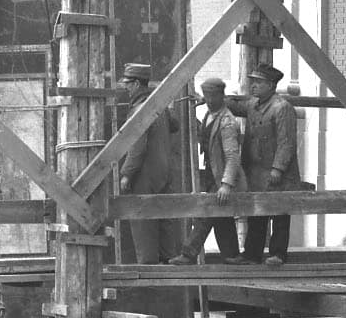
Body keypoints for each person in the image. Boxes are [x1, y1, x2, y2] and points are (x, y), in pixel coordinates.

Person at [114, 63, 180, 265]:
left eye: (128, 84)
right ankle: (168, 261)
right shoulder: (158, 106)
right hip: (164, 171)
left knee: (142, 219)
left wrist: (127, 174)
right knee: (165, 216)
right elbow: (175, 126)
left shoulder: (139, 110)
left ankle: (148, 265)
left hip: (145, 174)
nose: (126, 88)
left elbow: (137, 147)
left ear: (136, 84)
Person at [244, 61, 303, 261]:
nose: (253, 85)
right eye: (253, 81)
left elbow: (286, 142)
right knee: (256, 214)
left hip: (278, 174)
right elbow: (235, 105)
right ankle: (252, 254)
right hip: (258, 172)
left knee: (279, 213)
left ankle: (278, 254)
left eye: (259, 82)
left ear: (271, 85)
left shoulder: (282, 108)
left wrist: (278, 169)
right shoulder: (253, 105)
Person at [190, 75, 243, 261]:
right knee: (221, 217)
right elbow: (205, 135)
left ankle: (188, 253)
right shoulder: (210, 114)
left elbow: (232, 156)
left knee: (208, 212)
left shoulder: (227, 122)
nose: (210, 100)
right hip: (212, 173)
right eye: (207, 96)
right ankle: (232, 256)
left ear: (222, 96)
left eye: (213, 96)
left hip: (221, 176)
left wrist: (226, 184)